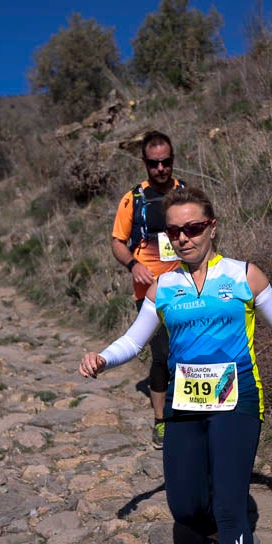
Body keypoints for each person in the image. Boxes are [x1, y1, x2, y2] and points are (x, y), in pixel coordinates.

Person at [80, 186, 272, 544]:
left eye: (192, 228)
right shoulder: (163, 287)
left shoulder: (243, 275)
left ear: (212, 227)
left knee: (230, 504)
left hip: (238, 399)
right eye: (173, 231)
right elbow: (134, 340)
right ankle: (225, 533)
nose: (183, 238)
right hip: (185, 404)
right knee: (185, 505)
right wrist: (104, 357)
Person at [109, 131, 186, 448]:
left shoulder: (185, 195)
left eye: (166, 162)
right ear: (144, 163)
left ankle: (189, 417)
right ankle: (160, 421)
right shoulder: (133, 200)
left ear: (172, 160)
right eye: (154, 163)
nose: (160, 169)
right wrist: (133, 266)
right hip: (151, 293)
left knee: (188, 355)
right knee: (161, 356)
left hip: (187, 288)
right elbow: (117, 241)